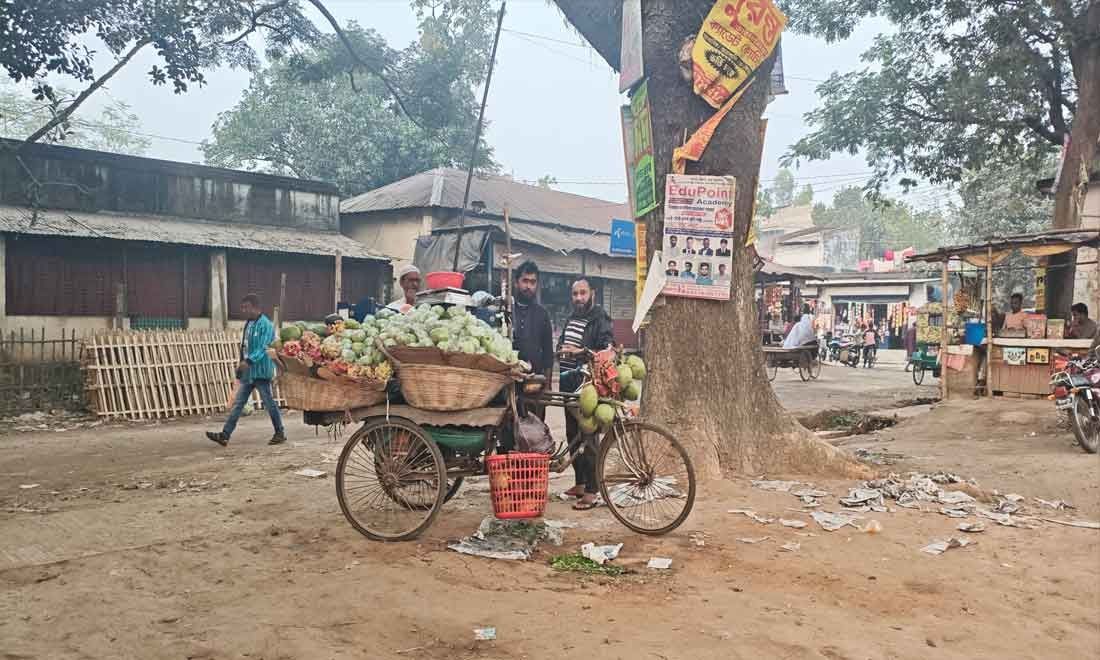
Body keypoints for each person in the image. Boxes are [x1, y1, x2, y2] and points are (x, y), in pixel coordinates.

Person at [557, 278, 614, 511]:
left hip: (587, 386)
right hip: (567, 383)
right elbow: (564, 341)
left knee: (589, 437)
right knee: (573, 434)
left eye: (582, 293)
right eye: (574, 294)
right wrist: (561, 349)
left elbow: (606, 349)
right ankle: (580, 483)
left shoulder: (600, 318)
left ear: (592, 294)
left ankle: (592, 490)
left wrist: (581, 351)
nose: (578, 298)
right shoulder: (572, 317)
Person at [206, 294, 285, 447]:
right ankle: (225, 435)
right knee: (238, 404)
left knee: (269, 403)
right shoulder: (249, 324)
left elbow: (263, 347)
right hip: (249, 372)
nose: (244, 310)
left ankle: (280, 432)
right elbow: (245, 346)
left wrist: (248, 361)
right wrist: (242, 364)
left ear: (255, 307)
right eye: (243, 307)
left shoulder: (266, 325)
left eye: (246, 307)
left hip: (262, 370)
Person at [510, 262, 554, 416]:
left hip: (535, 385)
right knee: (510, 430)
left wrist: (547, 386)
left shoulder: (542, 314)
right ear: (517, 282)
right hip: (510, 384)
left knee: (535, 431)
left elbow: (548, 353)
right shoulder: (508, 310)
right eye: (525, 281)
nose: (528, 286)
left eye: (532, 282)